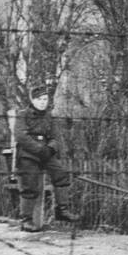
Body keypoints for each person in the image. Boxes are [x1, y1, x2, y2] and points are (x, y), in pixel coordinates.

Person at [15, 83, 79, 231]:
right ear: (32, 100)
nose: (43, 102)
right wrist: (39, 149)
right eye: (40, 99)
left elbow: (55, 136)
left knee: (61, 174)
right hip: (28, 154)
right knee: (29, 185)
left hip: (46, 153)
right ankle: (26, 220)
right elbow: (21, 136)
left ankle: (62, 210)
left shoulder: (49, 116)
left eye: (45, 99)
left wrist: (51, 148)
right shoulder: (22, 114)